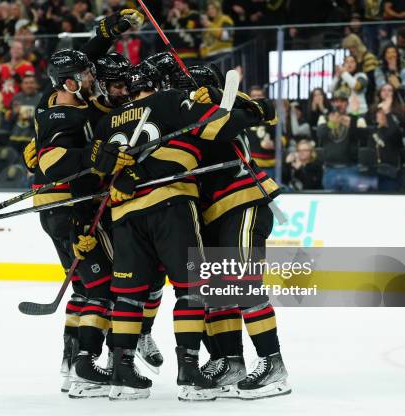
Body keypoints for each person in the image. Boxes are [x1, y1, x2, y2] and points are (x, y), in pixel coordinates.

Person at [94, 62, 276, 401]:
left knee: (228, 287)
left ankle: (270, 363)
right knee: (202, 290)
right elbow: (218, 124)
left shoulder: (108, 121)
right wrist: (254, 110)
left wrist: (238, 102)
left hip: (229, 204)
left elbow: (102, 168)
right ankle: (216, 364)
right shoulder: (170, 105)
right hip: (179, 208)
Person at [29, 9, 144, 398]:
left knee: (86, 288)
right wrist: (96, 156)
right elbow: (50, 162)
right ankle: (85, 366)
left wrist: (107, 33)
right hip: (66, 207)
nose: (93, 78)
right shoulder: (60, 112)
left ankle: (71, 364)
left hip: (65, 206)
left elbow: (85, 62)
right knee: (105, 287)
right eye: (87, 76)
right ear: (68, 82)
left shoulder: (72, 104)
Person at [173, 66, 290, 400]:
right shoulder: (183, 116)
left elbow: (264, 111)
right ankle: (230, 362)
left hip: (243, 203)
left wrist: (226, 98)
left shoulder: (223, 111)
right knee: (217, 293)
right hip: (211, 214)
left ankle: (273, 364)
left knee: (244, 285)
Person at [316, 91, 362, 191]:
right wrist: (331, 124)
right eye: (336, 101)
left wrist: (353, 117)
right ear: (332, 103)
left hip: (350, 168)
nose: (338, 104)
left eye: (342, 101)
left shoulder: (356, 118)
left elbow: (360, 136)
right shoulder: (324, 118)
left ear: (347, 103)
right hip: (330, 169)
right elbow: (319, 135)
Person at [0, 40, 36, 110]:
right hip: (1, 104)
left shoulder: (28, 66)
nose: (16, 50)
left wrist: (15, 75)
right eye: (14, 48)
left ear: (23, 51)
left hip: (19, 103)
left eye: (19, 48)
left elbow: (30, 85)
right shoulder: (3, 67)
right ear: (10, 50)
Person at [8, 71, 41, 153]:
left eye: (31, 83)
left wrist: (29, 119)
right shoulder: (16, 97)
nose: (29, 85)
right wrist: (15, 113)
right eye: (26, 83)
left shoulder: (41, 99)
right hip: (14, 138)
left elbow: (43, 122)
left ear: (36, 85)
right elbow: (9, 120)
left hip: (31, 140)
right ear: (22, 85)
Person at [164, 0, 202, 65]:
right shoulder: (174, 18)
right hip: (175, 54)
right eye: (174, 6)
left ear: (185, 4)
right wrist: (168, 18)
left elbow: (189, 29)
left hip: (189, 53)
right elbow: (164, 32)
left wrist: (179, 17)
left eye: (178, 5)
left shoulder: (194, 15)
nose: (176, 8)